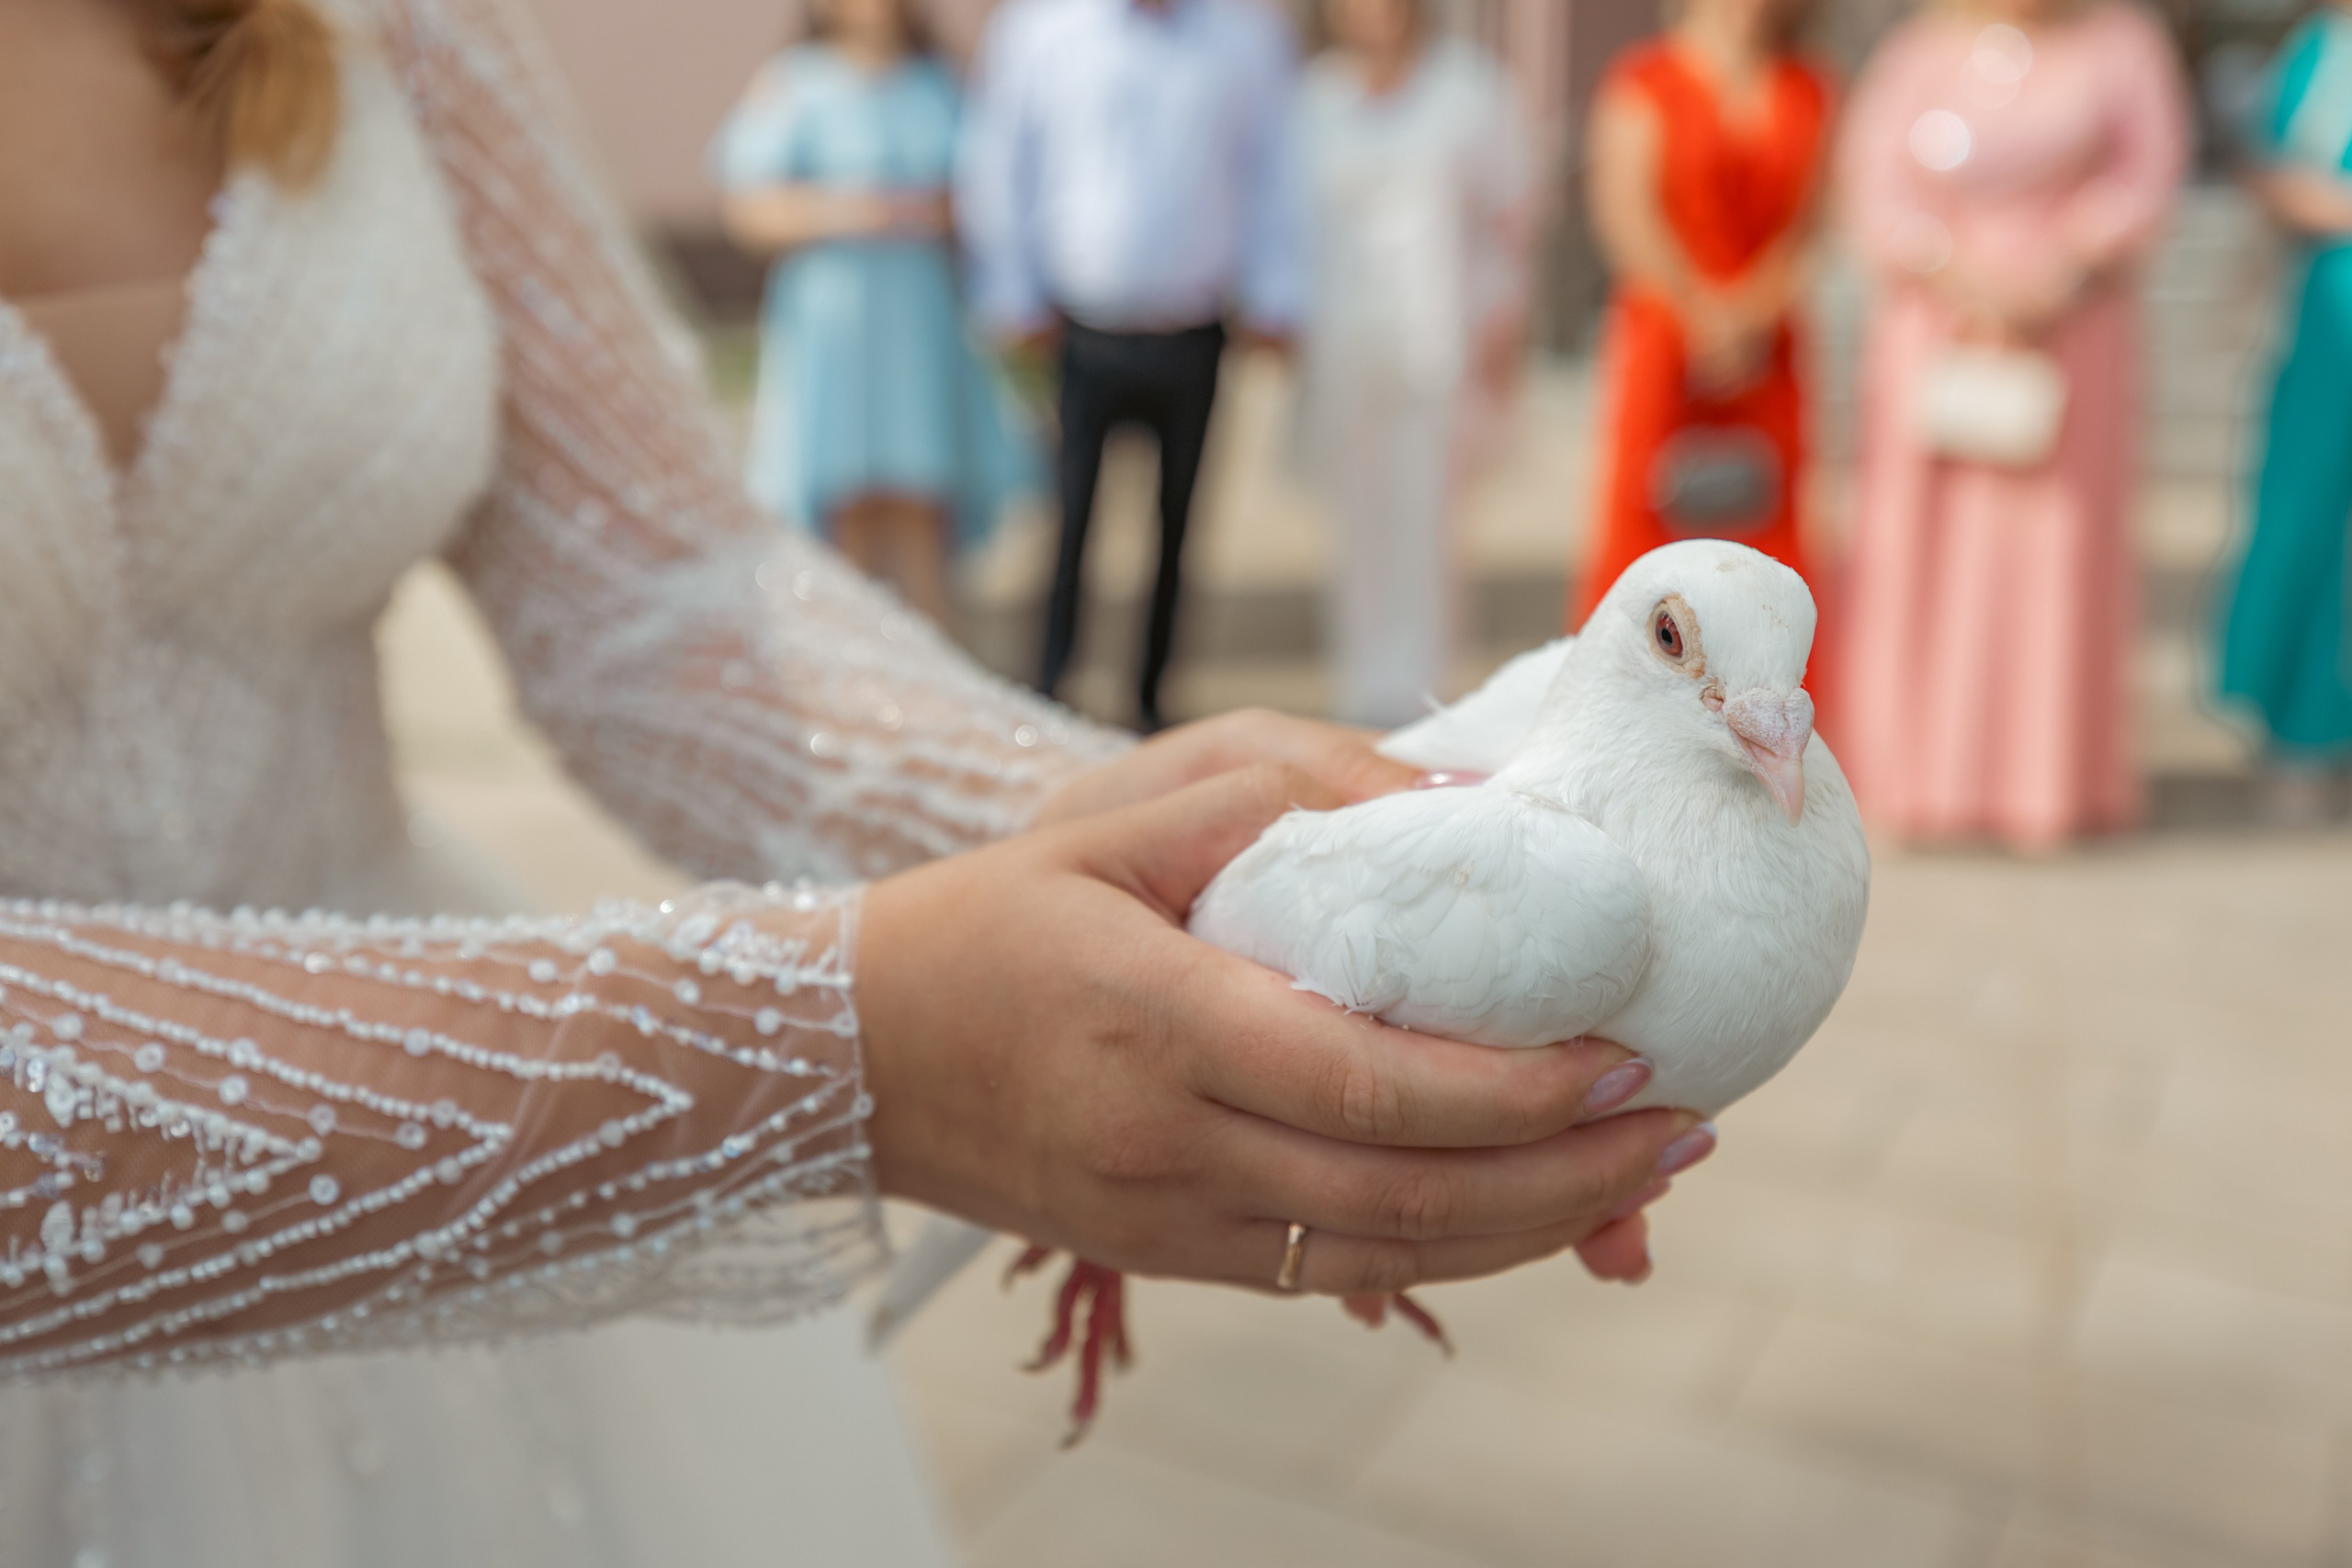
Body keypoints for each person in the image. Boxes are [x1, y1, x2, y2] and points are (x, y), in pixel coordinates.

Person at [0, 2, 1702, 1563]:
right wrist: (833, 1047)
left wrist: (1158, 854)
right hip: (441, 1132)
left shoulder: (394, 24)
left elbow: (659, 598)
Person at [1837, 0, 2188, 852]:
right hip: (1940, 327)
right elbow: (1874, 184)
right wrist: (1958, 274)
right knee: (1922, 550)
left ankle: (2045, 780)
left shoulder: (2120, 46)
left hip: (2069, 330)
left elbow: (2147, 173)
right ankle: (1917, 774)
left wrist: (2059, 270)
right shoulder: (1917, 53)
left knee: (2052, 552)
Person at [957, 0, 1303, 733]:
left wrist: (1276, 294)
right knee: (1071, 519)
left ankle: (1151, 701)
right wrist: (1010, 292)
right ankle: (1051, 692)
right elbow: (1000, 160)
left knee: (1177, 526)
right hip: (1080, 329)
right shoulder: (1043, 31)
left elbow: (1273, 170)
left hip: (1194, 326)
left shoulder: (1244, 39)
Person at [714, 0, 1031, 625]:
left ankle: (934, 652)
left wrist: (935, 214)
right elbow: (749, 208)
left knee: (923, 493)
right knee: (846, 497)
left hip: (917, 317)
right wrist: (851, 211)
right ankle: (854, 652)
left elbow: (989, 194)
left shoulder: (936, 81)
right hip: (837, 320)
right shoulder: (795, 83)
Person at [1296, 0, 1533, 728]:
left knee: (1428, 525)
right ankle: (1363, 691)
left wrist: (1502, 329)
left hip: (1442, 350)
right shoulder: (1315, 99)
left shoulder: (1470, 90)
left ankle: (1423, 696)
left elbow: (1510, 219)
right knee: (1360, 524)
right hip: (1344, 350)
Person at [1576, 0, 1832, 637]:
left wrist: (1753, 312)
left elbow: (1811, 230)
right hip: (1668, 345)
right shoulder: (1644, 81)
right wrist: (1700, 311)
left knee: (1762, 544)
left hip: (1765, 351)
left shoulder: (1809, 88)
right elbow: (1627, 217)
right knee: (1651, 536)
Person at [2213, 0, 2352, 823]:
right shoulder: (2315, 50)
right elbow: (2267, 166)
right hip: (2322, 314)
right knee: (2307, 518)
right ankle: (2303, 720)